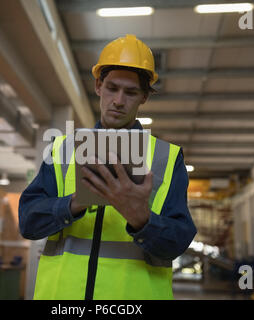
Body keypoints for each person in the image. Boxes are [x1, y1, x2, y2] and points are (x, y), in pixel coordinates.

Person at [19, 34, 197, 300]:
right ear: (98, 86)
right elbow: (28, 222)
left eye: (131, 92)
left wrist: (142, 219)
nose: (118, 100)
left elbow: (178, 242)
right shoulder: (63, 150)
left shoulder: (166, 158)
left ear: (144, 98)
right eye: (112, 88)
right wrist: (74, 203)